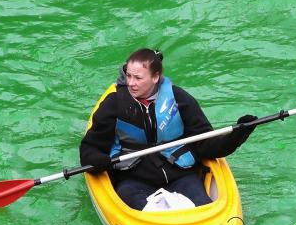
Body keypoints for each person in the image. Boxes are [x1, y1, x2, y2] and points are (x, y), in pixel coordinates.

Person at [79, 48, 257, 210]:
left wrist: (238, 134)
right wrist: (98, 161)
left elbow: (206, 144)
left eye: (138, 78)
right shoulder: (113, 104)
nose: (131, 83)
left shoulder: (179, 98)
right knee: (145, 211)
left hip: (180, 175)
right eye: (129, 76)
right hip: (133, 180)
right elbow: (89, 150)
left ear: (155, 77)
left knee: (204, 207)